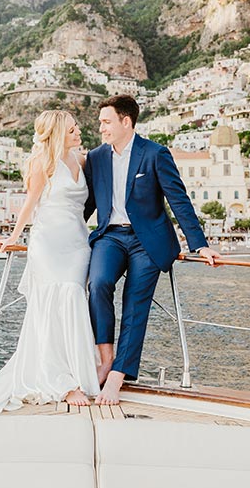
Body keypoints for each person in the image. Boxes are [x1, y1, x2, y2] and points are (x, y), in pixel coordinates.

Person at [0, 111, 99, 415]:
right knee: (53, 305)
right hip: (48, 244)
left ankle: (77, 374)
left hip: (78, 243)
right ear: (57, 134)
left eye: (77, 127)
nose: (79, 132)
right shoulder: (42, 162)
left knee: (73, 301)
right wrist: (11, 237)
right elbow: (29, 204)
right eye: (72, 130)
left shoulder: (81, 161)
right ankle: (62, 381)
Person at [83, 95, 218, 406]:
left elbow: (178, 200)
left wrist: (200, 244)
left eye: (106, 121)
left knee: (135, 302)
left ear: (125, 122)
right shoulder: (96, 158)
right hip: (110, 237)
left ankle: (118, 375)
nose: (101, 127)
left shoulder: (155, 154)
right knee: (98, 284)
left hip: (148, 241)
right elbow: (87, 205)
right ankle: (105, 358)